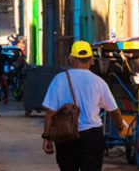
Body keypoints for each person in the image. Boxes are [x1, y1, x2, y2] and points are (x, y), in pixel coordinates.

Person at [41, 42, 121, 171]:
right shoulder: (99, 82)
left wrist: (47, 137)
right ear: (91, 60)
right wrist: (120, 127)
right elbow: (114, 110)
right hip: (92, 136)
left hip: (65, 136)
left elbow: (50, 113)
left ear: (71, 59)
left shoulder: (59, 79)